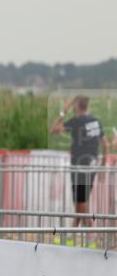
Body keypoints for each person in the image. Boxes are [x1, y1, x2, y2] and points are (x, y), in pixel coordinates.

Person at [50, 95, 103, 227]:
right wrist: (102, 165)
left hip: (80, 166)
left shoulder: (76, 121)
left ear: (77, 106)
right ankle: (75, 230)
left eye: (73, 105)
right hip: (92, 164)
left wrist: (64, 111)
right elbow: (106, 143)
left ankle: (89, 233)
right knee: (80, 200)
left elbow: (54, 129)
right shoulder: (95, 121)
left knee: (81, 201)